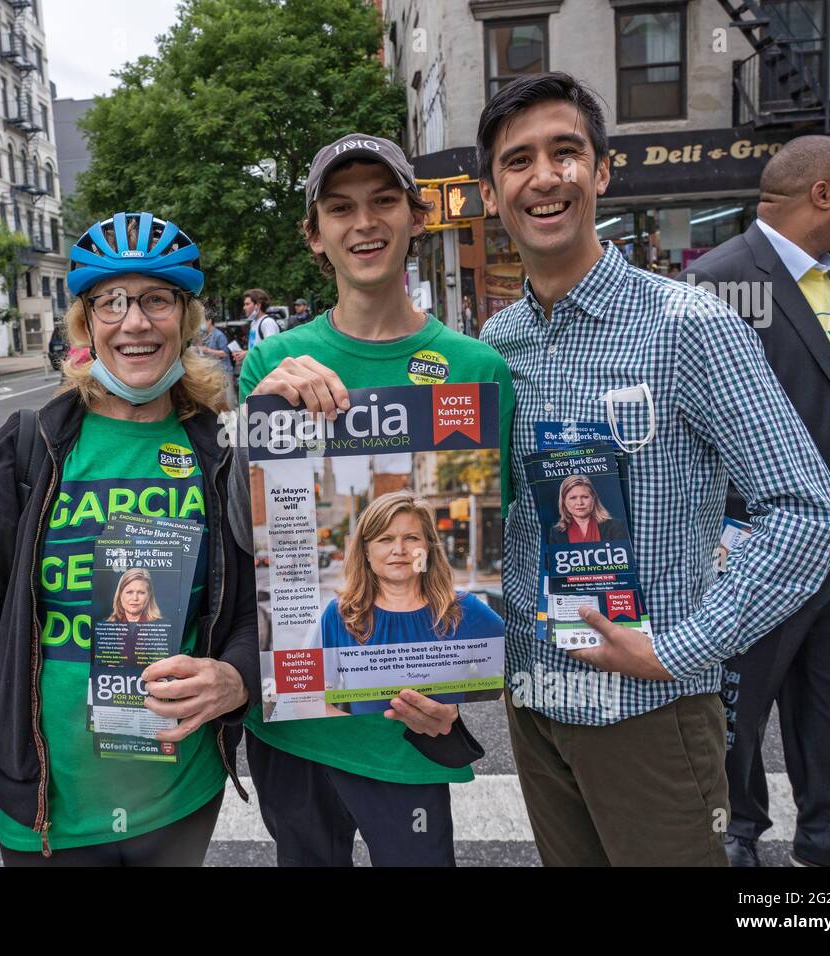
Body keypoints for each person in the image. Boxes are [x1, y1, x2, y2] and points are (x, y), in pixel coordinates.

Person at [474, 72, 830, 866]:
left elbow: (807, 510)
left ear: (602, 172)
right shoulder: (496, 344)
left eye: (565, 152)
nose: (544, 176)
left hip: (647, 710)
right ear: (492, 191)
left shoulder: (689, 325)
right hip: (535, 701)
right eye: (518, 160)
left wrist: (681, 648)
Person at [0, 212, 258, 867]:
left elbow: (250, 603)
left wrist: (236, 678)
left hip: (180, 794)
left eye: (158, 299)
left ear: (186, 320)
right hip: (50, 809)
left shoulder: (217, 449)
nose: (135, 322)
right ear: (85, 323)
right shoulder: (30, 448)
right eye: (112, 301)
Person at [233, 132, 516, 867]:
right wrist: (258, 426)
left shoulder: (475, 366)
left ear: (417, 217)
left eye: (384, 201)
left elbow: (502, 547)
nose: (365, 223)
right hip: (294, 730)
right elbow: (241, 530)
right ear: (315, 235)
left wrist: (464, 683)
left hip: (409, 728)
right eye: (341, 207)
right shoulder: (269, 361)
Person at [682, 135, 830, 868]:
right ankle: (736, 835)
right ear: (822, 195)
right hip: (768, 552)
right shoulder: (720, 281)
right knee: (738, 712)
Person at [321, 491, 503, 716]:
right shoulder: (340, 614)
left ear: (428, 547)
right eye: (385, 539)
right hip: (370, 750)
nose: (399, 549)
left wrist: (462, 719)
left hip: (449, 749)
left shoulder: (466, 609)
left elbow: (517, 686)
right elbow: (311, 702)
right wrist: (366, 738)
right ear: (366, 551)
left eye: (411, 538)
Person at [545, 475, 629, 544]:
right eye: (573, 498)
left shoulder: (616, 527)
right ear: (564, 502)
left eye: (585, 497)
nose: (579, 503)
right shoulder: (556, 533)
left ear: (593, 499)